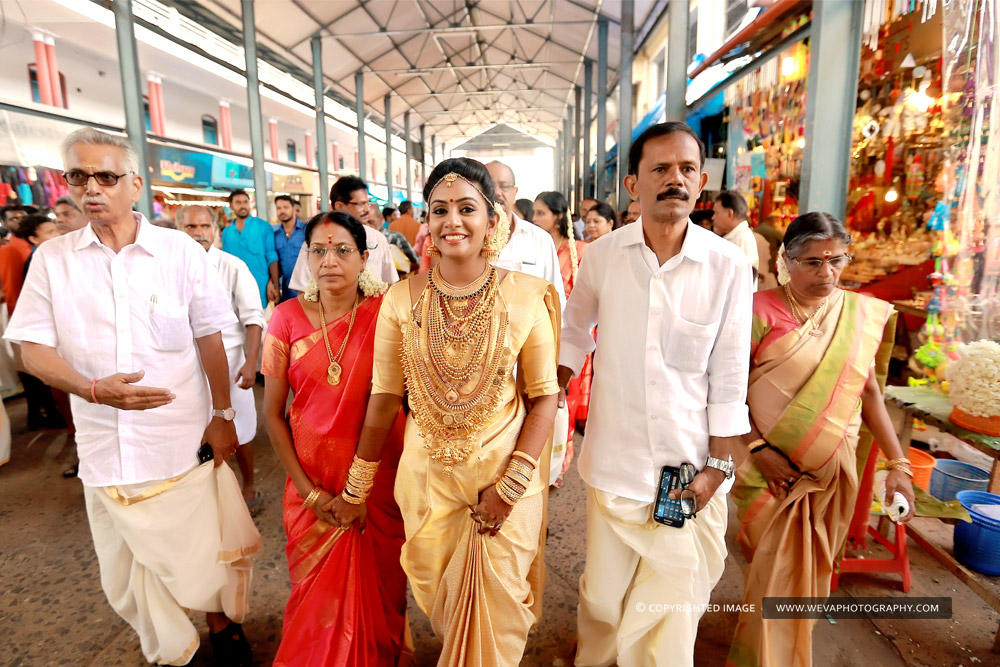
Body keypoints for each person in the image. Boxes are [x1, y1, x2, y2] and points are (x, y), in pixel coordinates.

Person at [5, 127, 260, 666]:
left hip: (180, 439)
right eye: (78, 176)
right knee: (129, 568)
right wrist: (91, 389)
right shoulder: (54, 261)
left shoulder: (178, 252)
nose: (91, 188)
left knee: (201, 549)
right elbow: (31, 348)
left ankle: (221, 625)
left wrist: (222, 414)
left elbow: (210, 335)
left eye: (106, 175)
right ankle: (175, 647)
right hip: (106, 446)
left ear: (136, 184)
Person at [334, 158, 560, 666]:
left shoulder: (526, 296)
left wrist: (509, 488)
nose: (452, 220)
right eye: (439, 210)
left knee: (496, 621)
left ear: (492, 221)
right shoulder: (398, 300)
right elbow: (385, 397)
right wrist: (357, 487)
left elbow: (545, 396)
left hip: (506, 484)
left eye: (466, 208)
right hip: (427, 484)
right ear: (427, 223)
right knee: (446, 609)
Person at [560, 122, 753, 667]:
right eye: (661, 169)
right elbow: (575, 330)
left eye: (687, 169)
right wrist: (554, 384)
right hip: (615, 465)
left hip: (689, 471)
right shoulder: (602, 256)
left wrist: (718, 465)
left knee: (670, 602)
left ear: (702, 182)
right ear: (632, 185)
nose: (676, 179)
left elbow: (730, 371)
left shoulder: (727, 265)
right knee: (602, 596)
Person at [727, 212, 915, 667]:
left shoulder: (855, 314)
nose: (826, 273)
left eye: (836, 260)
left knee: (808, 574)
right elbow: (725, 393)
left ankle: (784, 650)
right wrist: (758, 450)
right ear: (786, 261)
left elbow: (869, 392)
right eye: (812, 261)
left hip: (831, 469)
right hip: (764, 471)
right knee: (771, 567)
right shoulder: (756, 311)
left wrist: (899, 466)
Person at [262, 211, 409, 666]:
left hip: (378, 480)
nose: (330, 260)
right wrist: (310, 495)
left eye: (343, 250)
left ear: (365, 258)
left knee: (381, 585)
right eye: (319, 250)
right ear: (307, 257)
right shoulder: (284, 320)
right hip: (310, 483)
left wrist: (356, 489)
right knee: (317, 598)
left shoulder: (387, 313)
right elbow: (273, 414)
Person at [178, 205, 265, 513]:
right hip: (186, 367)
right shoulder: (171, 267)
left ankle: (249, 483)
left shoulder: (232, 266)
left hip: (229, 363)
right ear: (179, 230)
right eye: (190, 227)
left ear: (215, 230)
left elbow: (253, 318)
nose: (198, 232)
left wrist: (250, 362)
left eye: (204, 226)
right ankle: (208, 488)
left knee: (238, 428)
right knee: (196, 429)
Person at [487, 161, 568, 486]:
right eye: (488, 184)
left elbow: (556, 307)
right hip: (482, 377)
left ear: (515, 192)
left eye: (504, 186)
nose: (496, 193)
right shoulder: (465, 239)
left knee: (529, 461)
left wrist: (557, 375)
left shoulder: (538, 240)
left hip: (532, 374)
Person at [534, 191, 590, 444]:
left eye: (540, 213)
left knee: (562, 393)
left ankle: (560, 458)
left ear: (557, 217)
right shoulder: (534, 247)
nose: (534, 218)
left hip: (568, 330)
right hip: (536, 330)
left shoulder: (579, 250)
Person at [288, 176, 398, 293]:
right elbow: (303, 289)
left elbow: (390, 283)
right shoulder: (316, 239)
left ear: (364, 257)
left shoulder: (377, 238)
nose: (366, 209)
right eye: (360, 204)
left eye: (367, 203)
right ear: (339, 206)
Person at [9, 215, 65, 432]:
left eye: (56, 230)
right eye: (49, 232)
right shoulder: (38, 259)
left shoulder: (47, 255)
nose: (57, 234)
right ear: (33, 238)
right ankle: (50, 415)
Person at [223, 189, 280, 307]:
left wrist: (275, 284)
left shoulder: (263, 226)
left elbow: (272, 256)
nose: (243, 205)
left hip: (261, 286)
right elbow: (225, 262)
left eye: (245, 202)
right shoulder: (227, 232)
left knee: (262, 322)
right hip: (234, 288)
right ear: (231, 206)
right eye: (238, 202)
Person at [713, 191, 760, 277]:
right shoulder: (736, 237)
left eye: (716, 213)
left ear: (730, 214)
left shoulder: (741, 239)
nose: (713, 217)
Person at [273, 195, 307, 303]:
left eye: (285, 207)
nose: (282, 211)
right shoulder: (276, 235)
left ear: (293, 209)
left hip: (306, 289)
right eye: (279, 208)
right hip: (286, 291)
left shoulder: (306, 230)